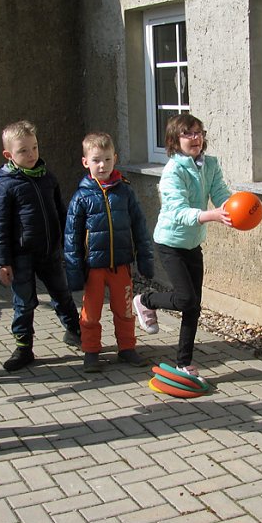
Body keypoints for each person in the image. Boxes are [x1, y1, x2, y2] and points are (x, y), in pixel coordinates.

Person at [132, 113, 232, 378]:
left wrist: (238, 207)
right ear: (175, 140)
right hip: (170, 242)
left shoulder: (210, 164)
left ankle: (183, 363)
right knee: (186, 298)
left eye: (198, 132)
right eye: (188, 134)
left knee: (194, 305)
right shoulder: (172, 171)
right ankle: (145, 300)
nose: (195, 138)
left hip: (193, 243)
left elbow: (221, 193)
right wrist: (211, 216)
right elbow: (178, 211)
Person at [0, 120, 81, 372]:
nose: (31, 154)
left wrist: (70, 241)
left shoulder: (47, 177)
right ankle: (23, 347)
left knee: (62, 294)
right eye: (23, 151)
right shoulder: (4, 185)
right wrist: (3, 262)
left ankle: (76, 332)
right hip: (21, 257)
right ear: (9, 155)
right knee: (24, 302)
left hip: (50, 251)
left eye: (34, 147)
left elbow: (60, 212)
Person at [64, 132, 155, 370]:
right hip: (93, 268)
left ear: (114, 158)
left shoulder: (125, 192)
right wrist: (74, 271)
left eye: (106, 159)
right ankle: (91, 351)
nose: (102, 165)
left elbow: (140, 227)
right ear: (86, 162)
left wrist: (145, 259)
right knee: (91, 313)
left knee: (124, 310)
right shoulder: (81, 197)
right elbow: (71, 238)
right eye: (96, 160)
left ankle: (127, 348)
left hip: (121, 266)